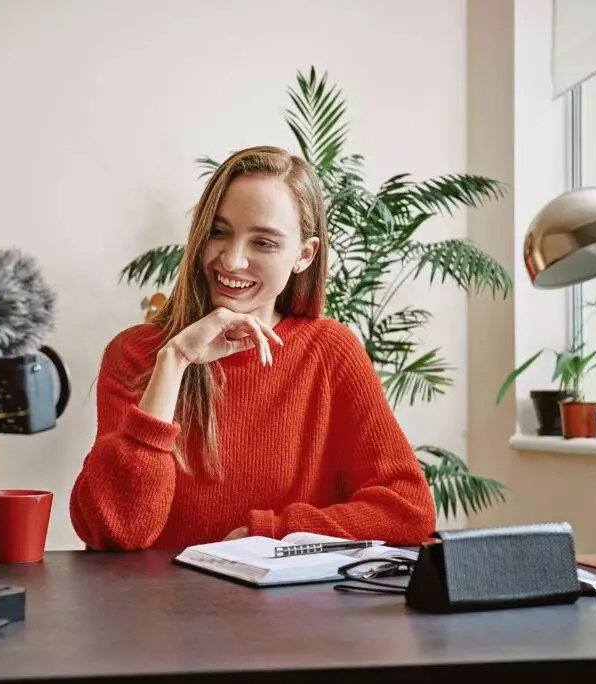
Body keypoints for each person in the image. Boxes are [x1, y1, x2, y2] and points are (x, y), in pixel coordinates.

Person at [70, 145, 436, 550]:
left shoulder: (331, 352)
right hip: (158, 611)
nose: (233, 260)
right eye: (219, 232)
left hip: (287, 613)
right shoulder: (137, 354)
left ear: (304, 254)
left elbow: (408, 510)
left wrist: (276, 533)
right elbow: (117, 530)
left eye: (263, 243)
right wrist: (173, 362)